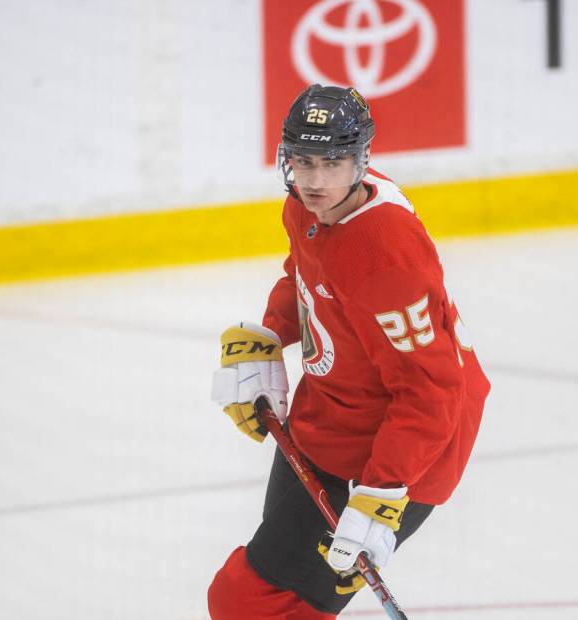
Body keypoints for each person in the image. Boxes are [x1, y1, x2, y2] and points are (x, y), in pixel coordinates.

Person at [207, 84, 490, 619]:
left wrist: (382, 492)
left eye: (332, 163)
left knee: (255, 605)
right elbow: (307, 275)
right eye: (303, 161)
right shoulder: (307, 209)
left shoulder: (386, 258)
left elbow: (432, 392)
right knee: (246, 599)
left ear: (362, 161)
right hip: (330, 419)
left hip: (401, 453)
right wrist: (270, 336)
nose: (314, 180)